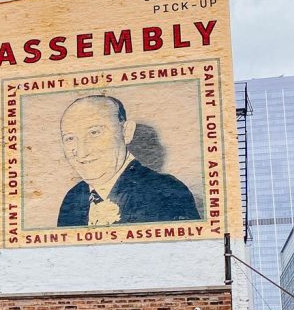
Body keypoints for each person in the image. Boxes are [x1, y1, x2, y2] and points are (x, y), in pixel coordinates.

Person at [56, 95, 200, 227]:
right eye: (70, 138)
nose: (82, 152)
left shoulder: (166, 192)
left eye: (94, 133)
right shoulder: (73, 198)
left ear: (126, 132)